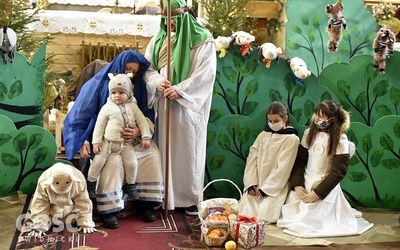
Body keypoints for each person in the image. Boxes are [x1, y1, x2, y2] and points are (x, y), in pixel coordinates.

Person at [63, 50, 164, 228]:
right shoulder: (97, 84)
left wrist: (139, 132)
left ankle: (145, 203)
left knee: (152, 155)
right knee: (113, 163)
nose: (130, 74)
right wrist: (85, 141)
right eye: (127, 68)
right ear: (119, 65)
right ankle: (109, 208)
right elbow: (80, 116)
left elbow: (146, 115)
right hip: (106, 141)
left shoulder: (138, 86)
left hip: (133, 142)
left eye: (135, 71)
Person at [143, 0, 217, 215]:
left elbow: (206, 74)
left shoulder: (203, 40)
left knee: (188, 150)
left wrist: (181, 90)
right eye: (165, 18)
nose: (169, 23)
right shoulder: (158, 39)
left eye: (172, 19)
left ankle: (189, 197)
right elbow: (148, 68)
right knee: (164, 149)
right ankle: (164, 196)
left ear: (184, 14)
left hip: (187, 108)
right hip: (163, 104)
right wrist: (156, 81)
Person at [277, 100, 373, 237]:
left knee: (314, 220)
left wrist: (317, 194)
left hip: (324, 186)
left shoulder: (340, 140)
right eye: (316, 115)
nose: (316, 119)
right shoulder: (309, 133)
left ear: (332, 119)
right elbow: (300, 162)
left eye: (321, 116)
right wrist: (298, 185)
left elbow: (338, 172)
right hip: (306, 181)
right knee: (292, 215)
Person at [87, 73, 152, 200]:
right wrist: (96, 143)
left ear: (128, 94)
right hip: (108, 143)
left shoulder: (133, 107)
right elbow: (99, 126)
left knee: (132, 164)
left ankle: (130, 185)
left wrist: (145, 137)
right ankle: (91, 183)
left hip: (126, 145)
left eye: (121, 93)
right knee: (97, 162)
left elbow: (142, 122)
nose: (117, 96)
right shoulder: (106, 108)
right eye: (114, 93)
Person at [238, 101, 299, 223]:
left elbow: (283, 168)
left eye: (276, 121)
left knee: (266, 216)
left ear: (285, 118)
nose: (272, 124)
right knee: (244, 213)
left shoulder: (292, 139)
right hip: (256, 184)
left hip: (274, 188)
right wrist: (251, 183)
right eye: (270, 121)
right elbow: (252, 160)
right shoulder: (263, 135)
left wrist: (266, 189)